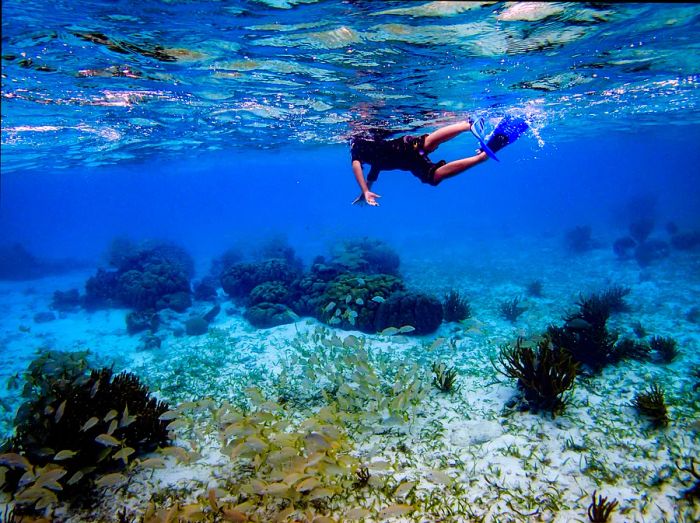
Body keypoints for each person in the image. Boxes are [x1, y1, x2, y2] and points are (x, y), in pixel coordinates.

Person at [350, 116, 528, 206]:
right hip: (407, 161)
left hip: (401, 149)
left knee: (425, 144)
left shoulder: (356, 145)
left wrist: (365, 191)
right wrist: (366, 190)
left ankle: (468, 125)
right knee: (433, 177)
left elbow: (356, 166)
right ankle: (482, 156)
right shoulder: (373, 158)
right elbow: (374, 170)